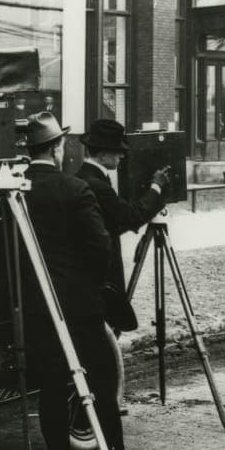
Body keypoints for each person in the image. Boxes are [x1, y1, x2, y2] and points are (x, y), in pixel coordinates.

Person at [19, 111, 140, 450]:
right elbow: (100, 247)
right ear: (57, 148)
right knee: (101, 383)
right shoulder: (74, 189)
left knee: (53, 388)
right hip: (80, 305)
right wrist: (86, 284)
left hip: (40, 305)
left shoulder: (15, 190)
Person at [76, 119, 170, 336]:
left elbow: (110, 222)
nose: (122, 156)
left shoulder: (84, 176)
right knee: (103, 331)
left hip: (86, 273)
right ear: (102, 154)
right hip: (102, 273)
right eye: (117, 151)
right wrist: (156, 187)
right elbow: (130, 216)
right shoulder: (97, 184)